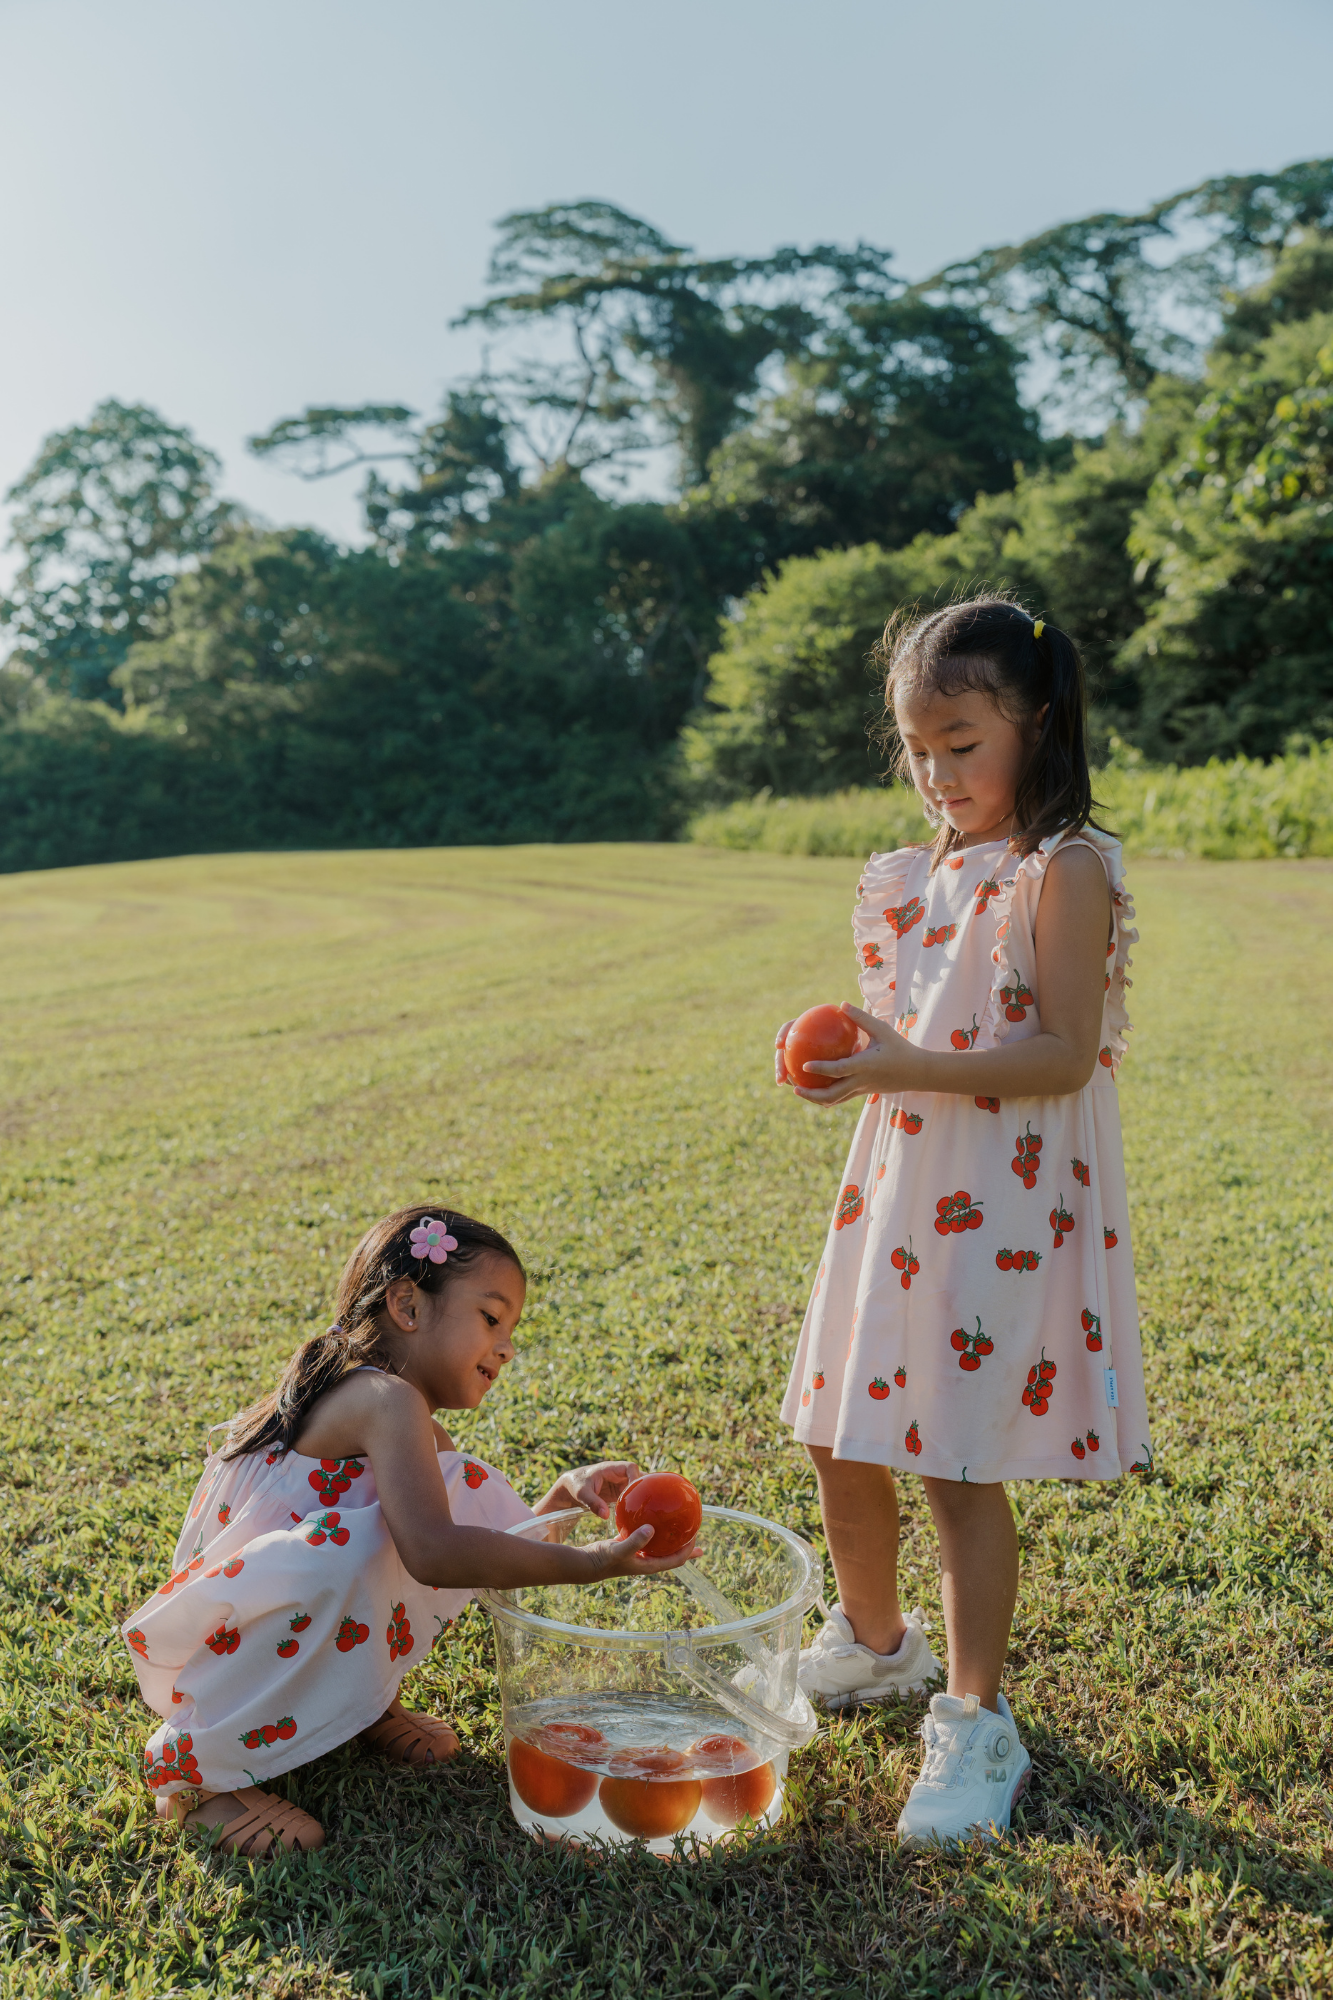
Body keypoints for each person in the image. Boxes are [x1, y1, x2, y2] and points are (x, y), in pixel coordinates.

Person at [775, 596, 1152, 1846]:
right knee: (841, 1427)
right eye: (917, 746)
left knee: (951, 1455)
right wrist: (856, 1061)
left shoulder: (1065, 866)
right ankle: (875, 1641)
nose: (936, 772)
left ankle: (976, 1715)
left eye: (963, 740)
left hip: (996, 1196)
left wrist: (900, 1066)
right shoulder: (921, 867)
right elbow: (918, 1019)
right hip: (898, 1181)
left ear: (1035, 724)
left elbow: (1057, 1054)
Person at [122, 1203, 689, 1857]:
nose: (506, 1345)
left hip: (277, 1616)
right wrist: (592, 1563)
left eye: (512, 1327)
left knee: (448, 1495)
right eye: (490, 1317)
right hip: (236, 1633)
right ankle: (196, 1776)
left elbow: (482, 1548)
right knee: (357, 1547)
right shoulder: (383, 1401)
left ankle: (362, 1702)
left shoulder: (398, 1411)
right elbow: (434, 1555)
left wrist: (564, 1497)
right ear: (407, 1306)